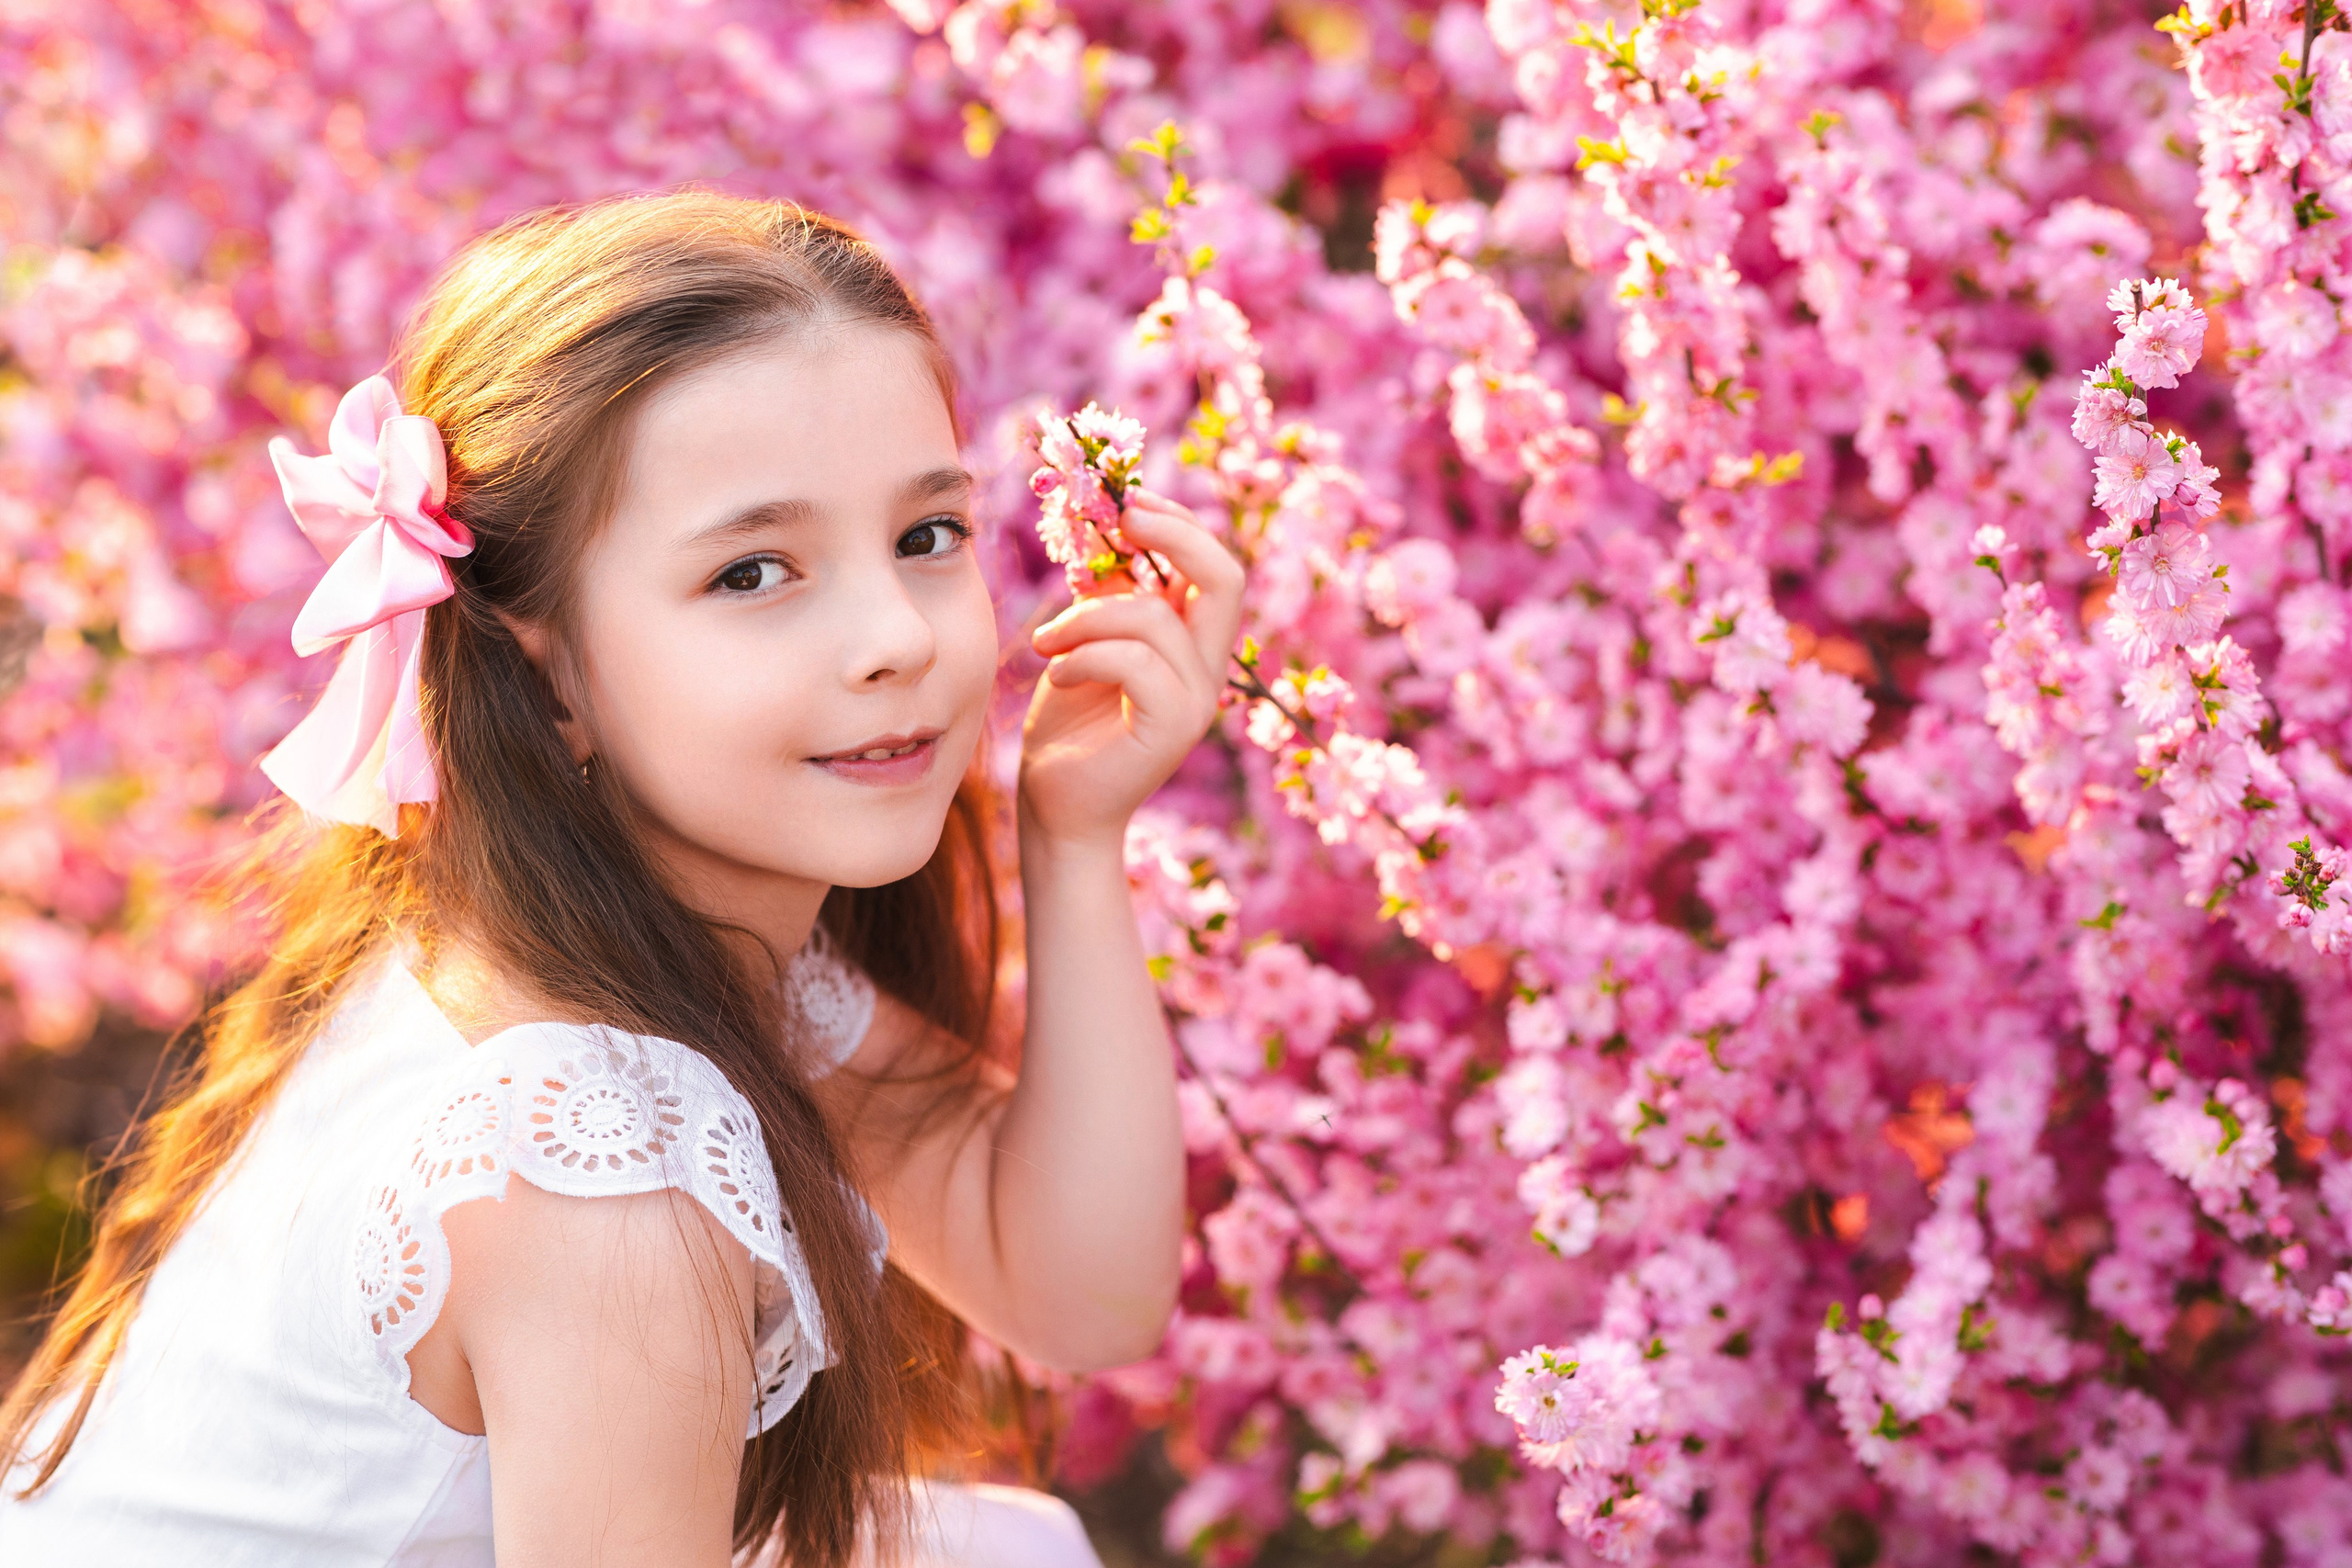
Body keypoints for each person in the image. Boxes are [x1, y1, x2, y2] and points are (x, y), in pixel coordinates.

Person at [0, 191, 1244, 1567]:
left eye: (927, 537)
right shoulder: (598, 1177)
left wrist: (1073, 838)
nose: (896, 636)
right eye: (754, 572)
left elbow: (1082, 1294)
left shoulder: (620, 945)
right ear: (546, 675)